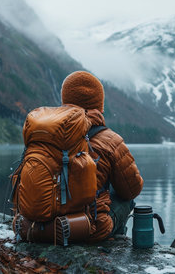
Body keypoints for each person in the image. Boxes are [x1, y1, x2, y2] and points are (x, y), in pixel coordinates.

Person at [61, 70, 143, 241]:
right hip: (87, 229)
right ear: (99, 104)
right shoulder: (109, 140)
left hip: (40, 225)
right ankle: (118, 242)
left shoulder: (45, 132)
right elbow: (132, 189)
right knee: (124, 196)